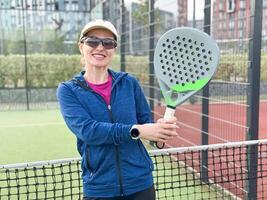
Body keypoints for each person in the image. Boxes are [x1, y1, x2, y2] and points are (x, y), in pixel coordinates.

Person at [57, 19, 178, 200]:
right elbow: (89, 131)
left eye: (108, 43)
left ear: (113, 49)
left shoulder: (129, 83)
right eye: (92, 41)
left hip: (141, 184)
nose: (100, 47)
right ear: (81, 46)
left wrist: (160, 134)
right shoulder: (68, 90)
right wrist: (137, 130)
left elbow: (147, 125)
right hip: (99, 188)